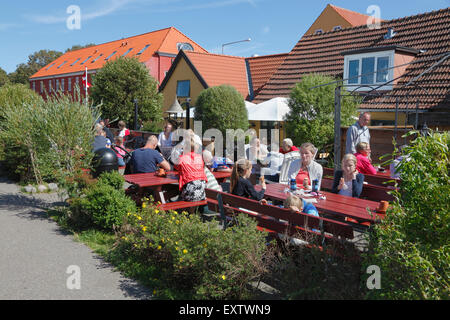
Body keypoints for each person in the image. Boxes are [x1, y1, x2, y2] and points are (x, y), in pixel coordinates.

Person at [175, 136, 208, 202]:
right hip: (202, 192)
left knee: (178, 193)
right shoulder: (199, 157)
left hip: (190, 192)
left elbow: (176, 168)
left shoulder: (181, 158)